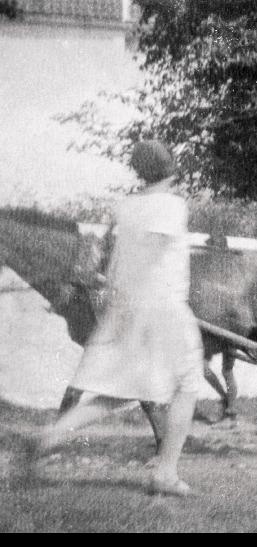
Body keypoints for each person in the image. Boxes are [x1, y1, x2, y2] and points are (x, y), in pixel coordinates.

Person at [11, 140, 203, 496]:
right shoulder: (173, 207)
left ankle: (46, 440)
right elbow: (155, 256)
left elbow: (116, 262)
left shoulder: (126, 206)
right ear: (170, 169)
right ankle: (166, 473)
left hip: (124, 308)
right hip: (163, 308)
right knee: (187, 385)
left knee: (117, 391)